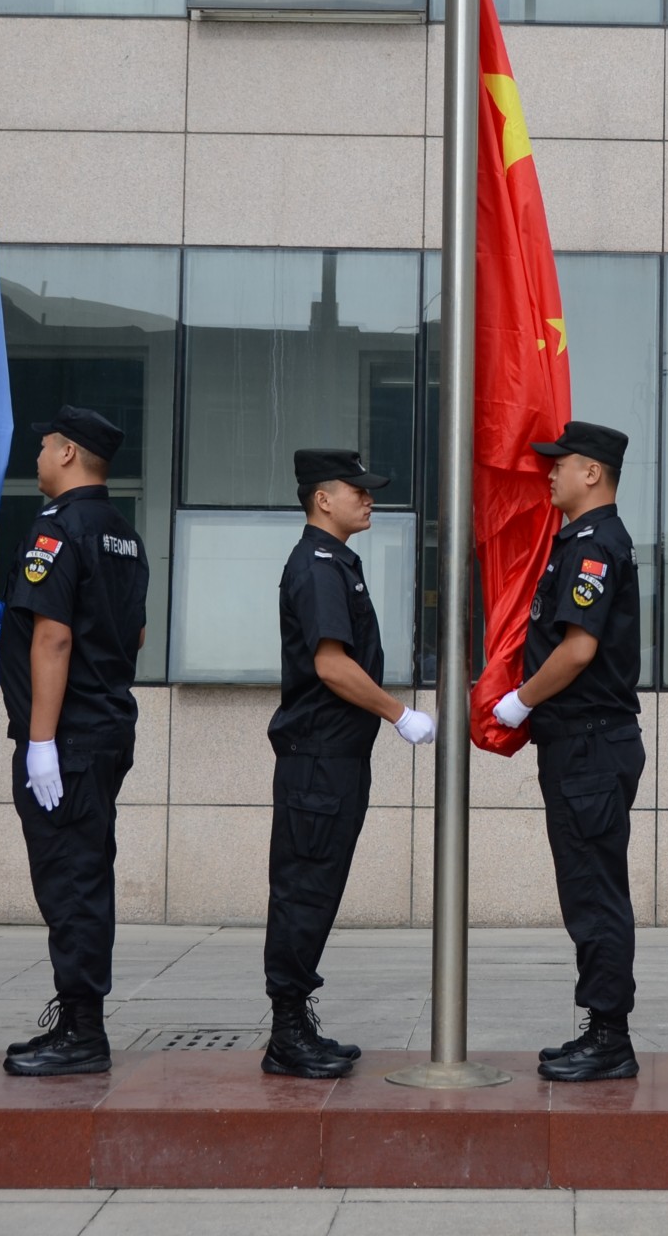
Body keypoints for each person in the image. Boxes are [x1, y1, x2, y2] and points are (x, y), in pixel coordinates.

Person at [262, 448, 436, 1078]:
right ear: (322, 499)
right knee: (304, 891)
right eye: (356, 490)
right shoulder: (317, 566)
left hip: (335, 759)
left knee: (317, 889)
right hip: (318, 760)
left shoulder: (336, 560)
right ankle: (286, 1035)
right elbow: (331, 665)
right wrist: (399, 714)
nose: (368, 498)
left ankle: (296, 1024)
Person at [0, 406, 150, 1077]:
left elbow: (53, 637)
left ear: (66, 453)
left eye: (43, 447)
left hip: (68, 741)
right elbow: (134, 634)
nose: (36, 459)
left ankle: (83, 1033)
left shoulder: (57, 529)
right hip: (106, 726)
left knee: (71, 883)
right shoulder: (124, 534)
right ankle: (75, 1019)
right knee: (82, 875)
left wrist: (41, 741)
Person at [492, 420, 644, 1082]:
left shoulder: (596, 545)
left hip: (590, 745)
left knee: (594, 893)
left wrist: (521, 700)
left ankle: (610, 1038)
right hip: (580, 746)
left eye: (561, 463)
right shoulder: (580, 539)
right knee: (586, 889)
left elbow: (578, 649)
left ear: (593, 473)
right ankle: (602, 1028)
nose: (549, 473)